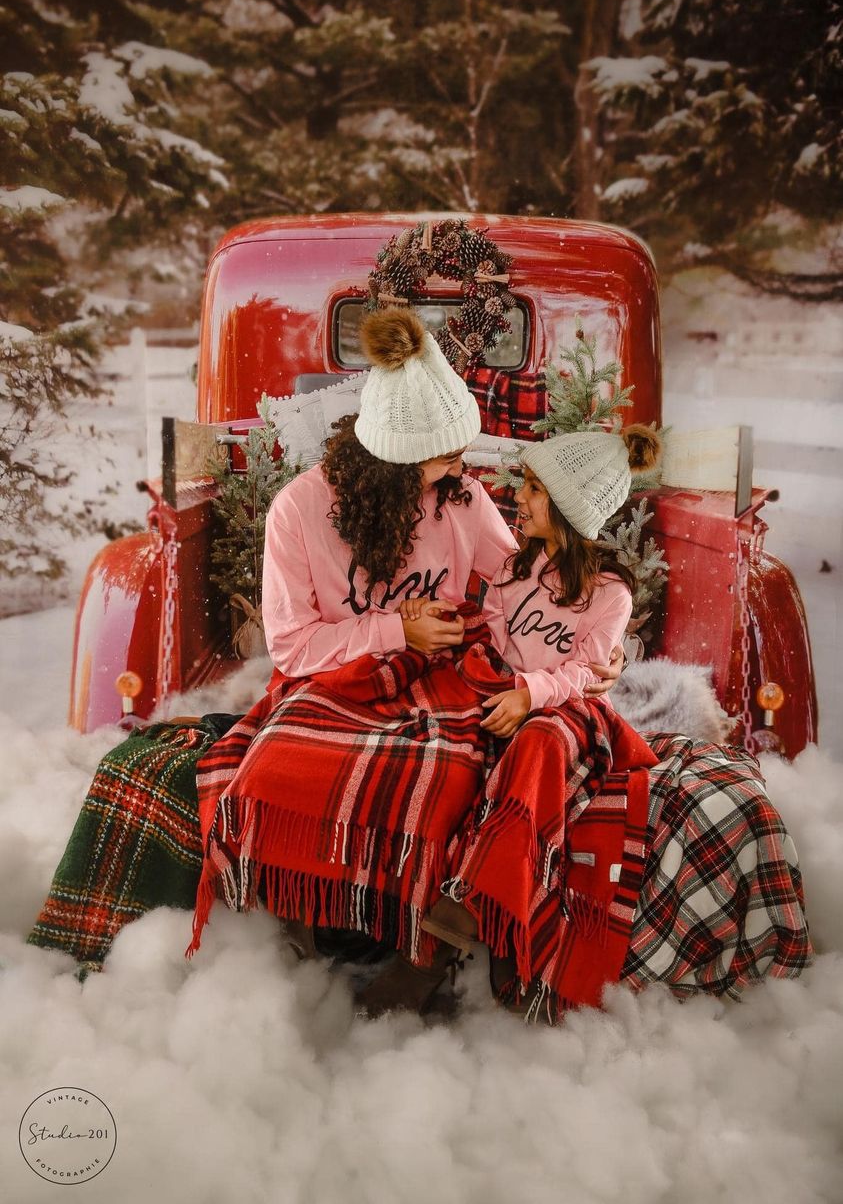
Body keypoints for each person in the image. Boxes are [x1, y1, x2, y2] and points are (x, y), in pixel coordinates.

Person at [189, 308, 624, 1012]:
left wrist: (597, 647)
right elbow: (294, 647)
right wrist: (396, 630)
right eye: (447, 453)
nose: (463, 465)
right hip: (337, 678)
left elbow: (524, 581)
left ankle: (423, 950)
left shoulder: (458, 498)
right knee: (277, 768)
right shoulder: (298, 512)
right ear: (394, 463)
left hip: (444, 675)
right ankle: (304, 927)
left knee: (446, 774)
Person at [399, 424, 665, 1020]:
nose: (520, 496)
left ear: (570, 507)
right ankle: (456, 906)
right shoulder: (516, 570)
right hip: (506, 696)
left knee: (541, 738)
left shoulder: (608, 594)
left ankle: (465, 915)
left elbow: (586, 674)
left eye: (536, 489)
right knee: (444, 735)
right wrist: (432, 623)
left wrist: (529, 694)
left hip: (569, 715)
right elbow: (490, 632)